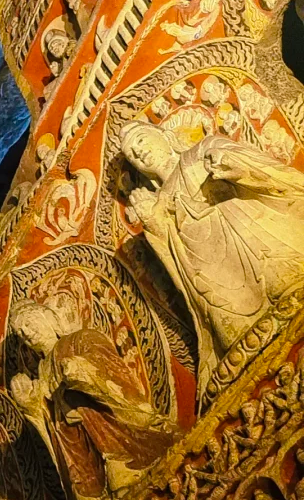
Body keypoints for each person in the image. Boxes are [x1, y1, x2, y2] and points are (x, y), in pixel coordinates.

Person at [120, 122, 304, 396]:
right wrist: (153, 222)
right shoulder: (160, 203)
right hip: (218, 283)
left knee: (285, 281)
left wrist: (231, 163)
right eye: (132, 154)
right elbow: (176, 262)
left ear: (165, 136)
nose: (139, 152)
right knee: (234, 335)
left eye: (141, 140)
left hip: (256, 242)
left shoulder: (201, 152)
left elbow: (259, 168)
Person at [9, 295, 173, 500]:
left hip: (106, 425)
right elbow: (48, 421)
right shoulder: (42, 370)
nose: (27, 333)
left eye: (29, 324)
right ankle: (89, 492)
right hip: (77, 445)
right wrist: (31, 405)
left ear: (48, 318)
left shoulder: (79, 340)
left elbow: (114, 372)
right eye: (21, 333)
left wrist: (81, 371)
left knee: (88, 412)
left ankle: (119, 460)